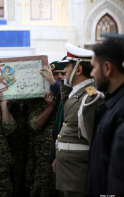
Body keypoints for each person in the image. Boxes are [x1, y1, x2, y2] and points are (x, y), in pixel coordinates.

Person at [55, 43, 104, 197]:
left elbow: (95, 142)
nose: (64, 71)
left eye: (67, 66)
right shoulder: (77, 93)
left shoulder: (91, 98)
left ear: (79, 69)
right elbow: (67, 111)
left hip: (79, 172)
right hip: (70, 170)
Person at [86, 34, 124, 196]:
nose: (92, 74)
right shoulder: (111, 104)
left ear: (108, 68)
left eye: (94, 67)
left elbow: (118, 177)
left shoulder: (120, 110)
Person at [26, 61, 65, 197]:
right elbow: (33, 125)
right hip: (44, 160)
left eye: (62, 73)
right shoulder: (40, 98)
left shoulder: (71, 96)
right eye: (55, 74)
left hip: (65, 158)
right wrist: (50, 107)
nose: (59, 77)